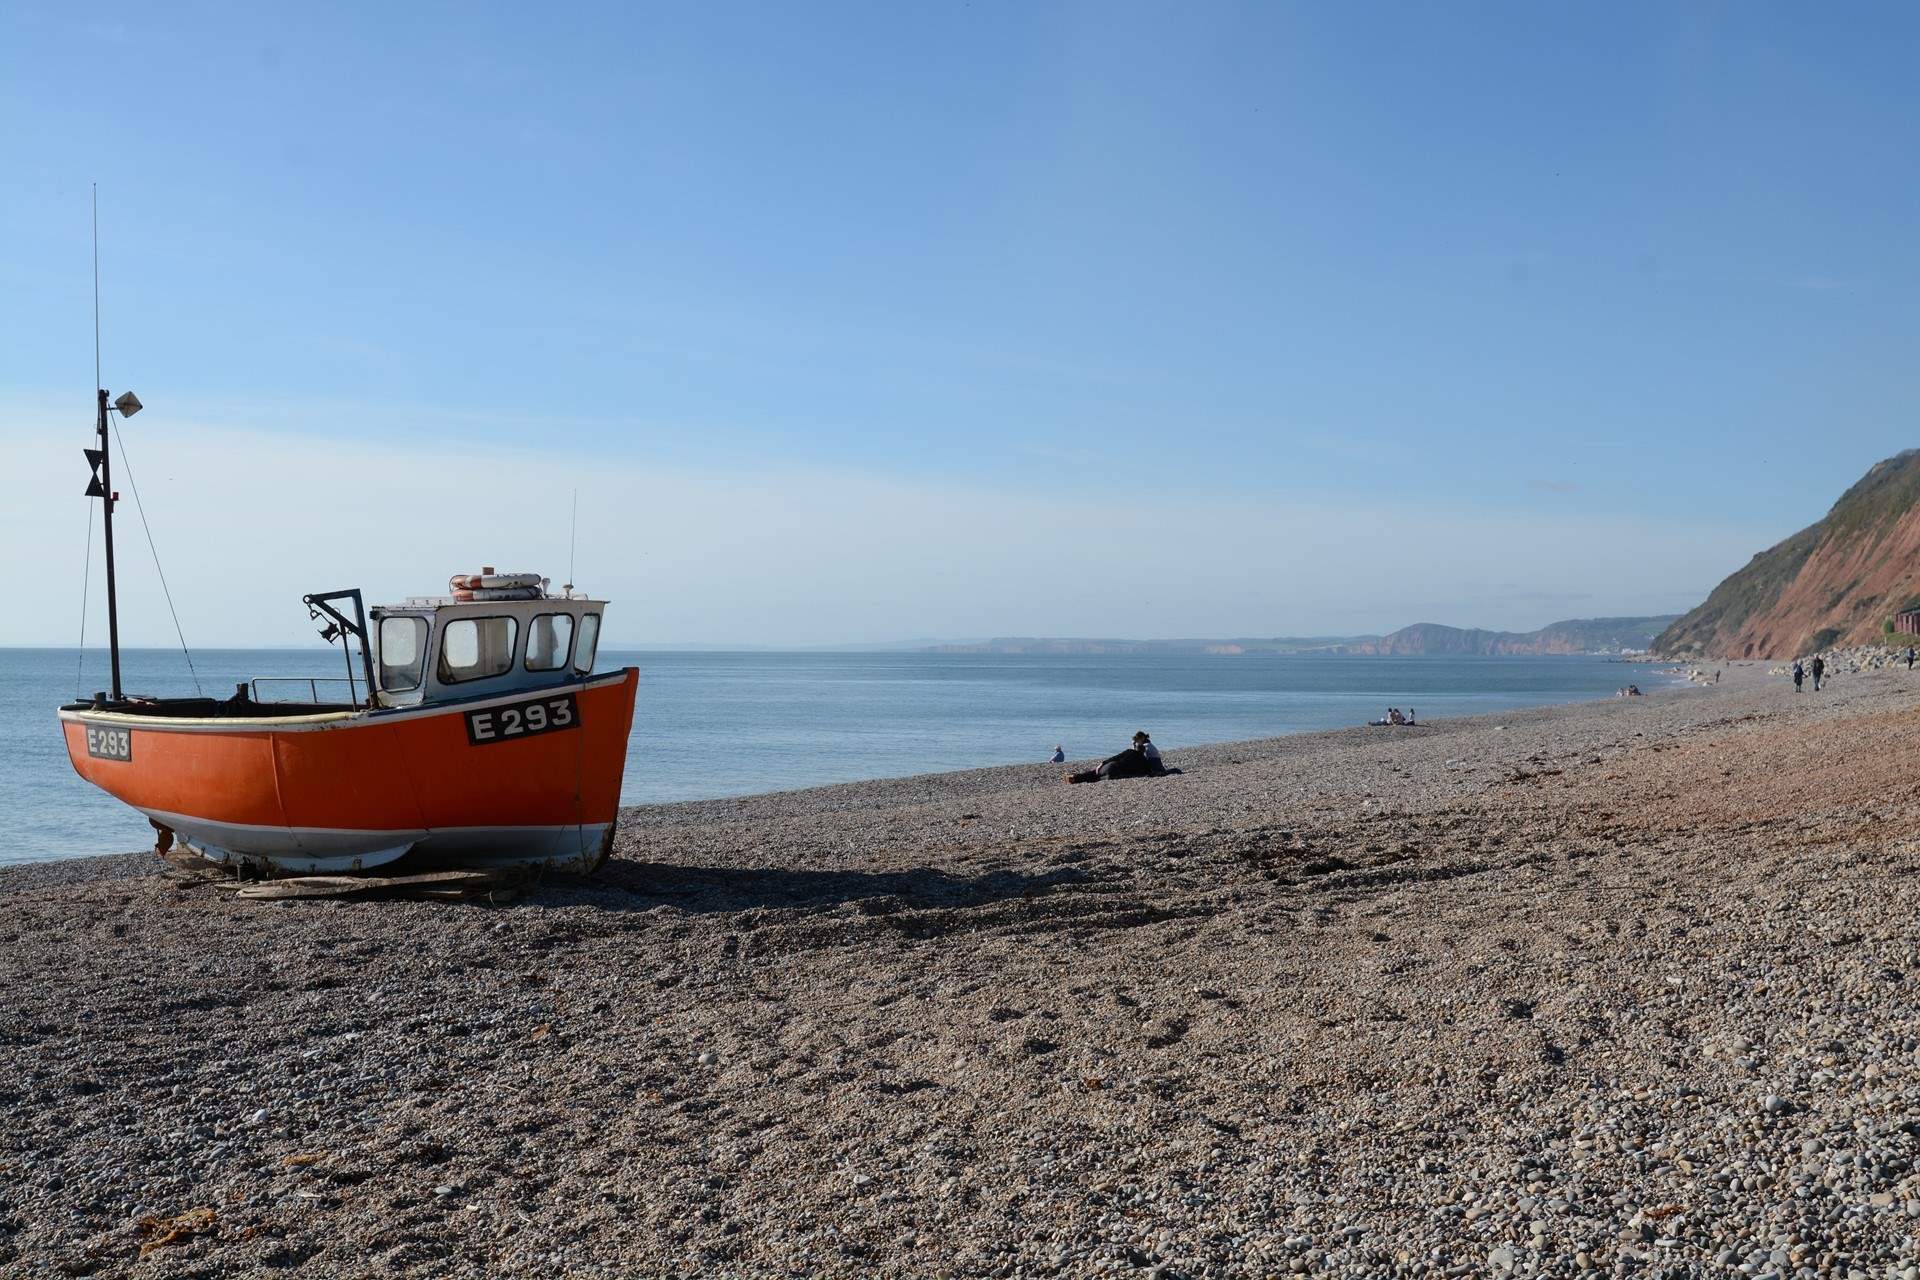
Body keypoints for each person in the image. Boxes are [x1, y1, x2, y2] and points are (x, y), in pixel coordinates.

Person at [1064, 732, 1170, 784]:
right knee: (1098, 778)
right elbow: (1149, 773)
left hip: (1111, 765)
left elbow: (1115, 757)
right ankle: (1077, 779)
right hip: (1117, 771)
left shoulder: (1129, 751)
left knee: (1094, 773)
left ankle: (1075, 778)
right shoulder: (1143, 760)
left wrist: (1102, 763)